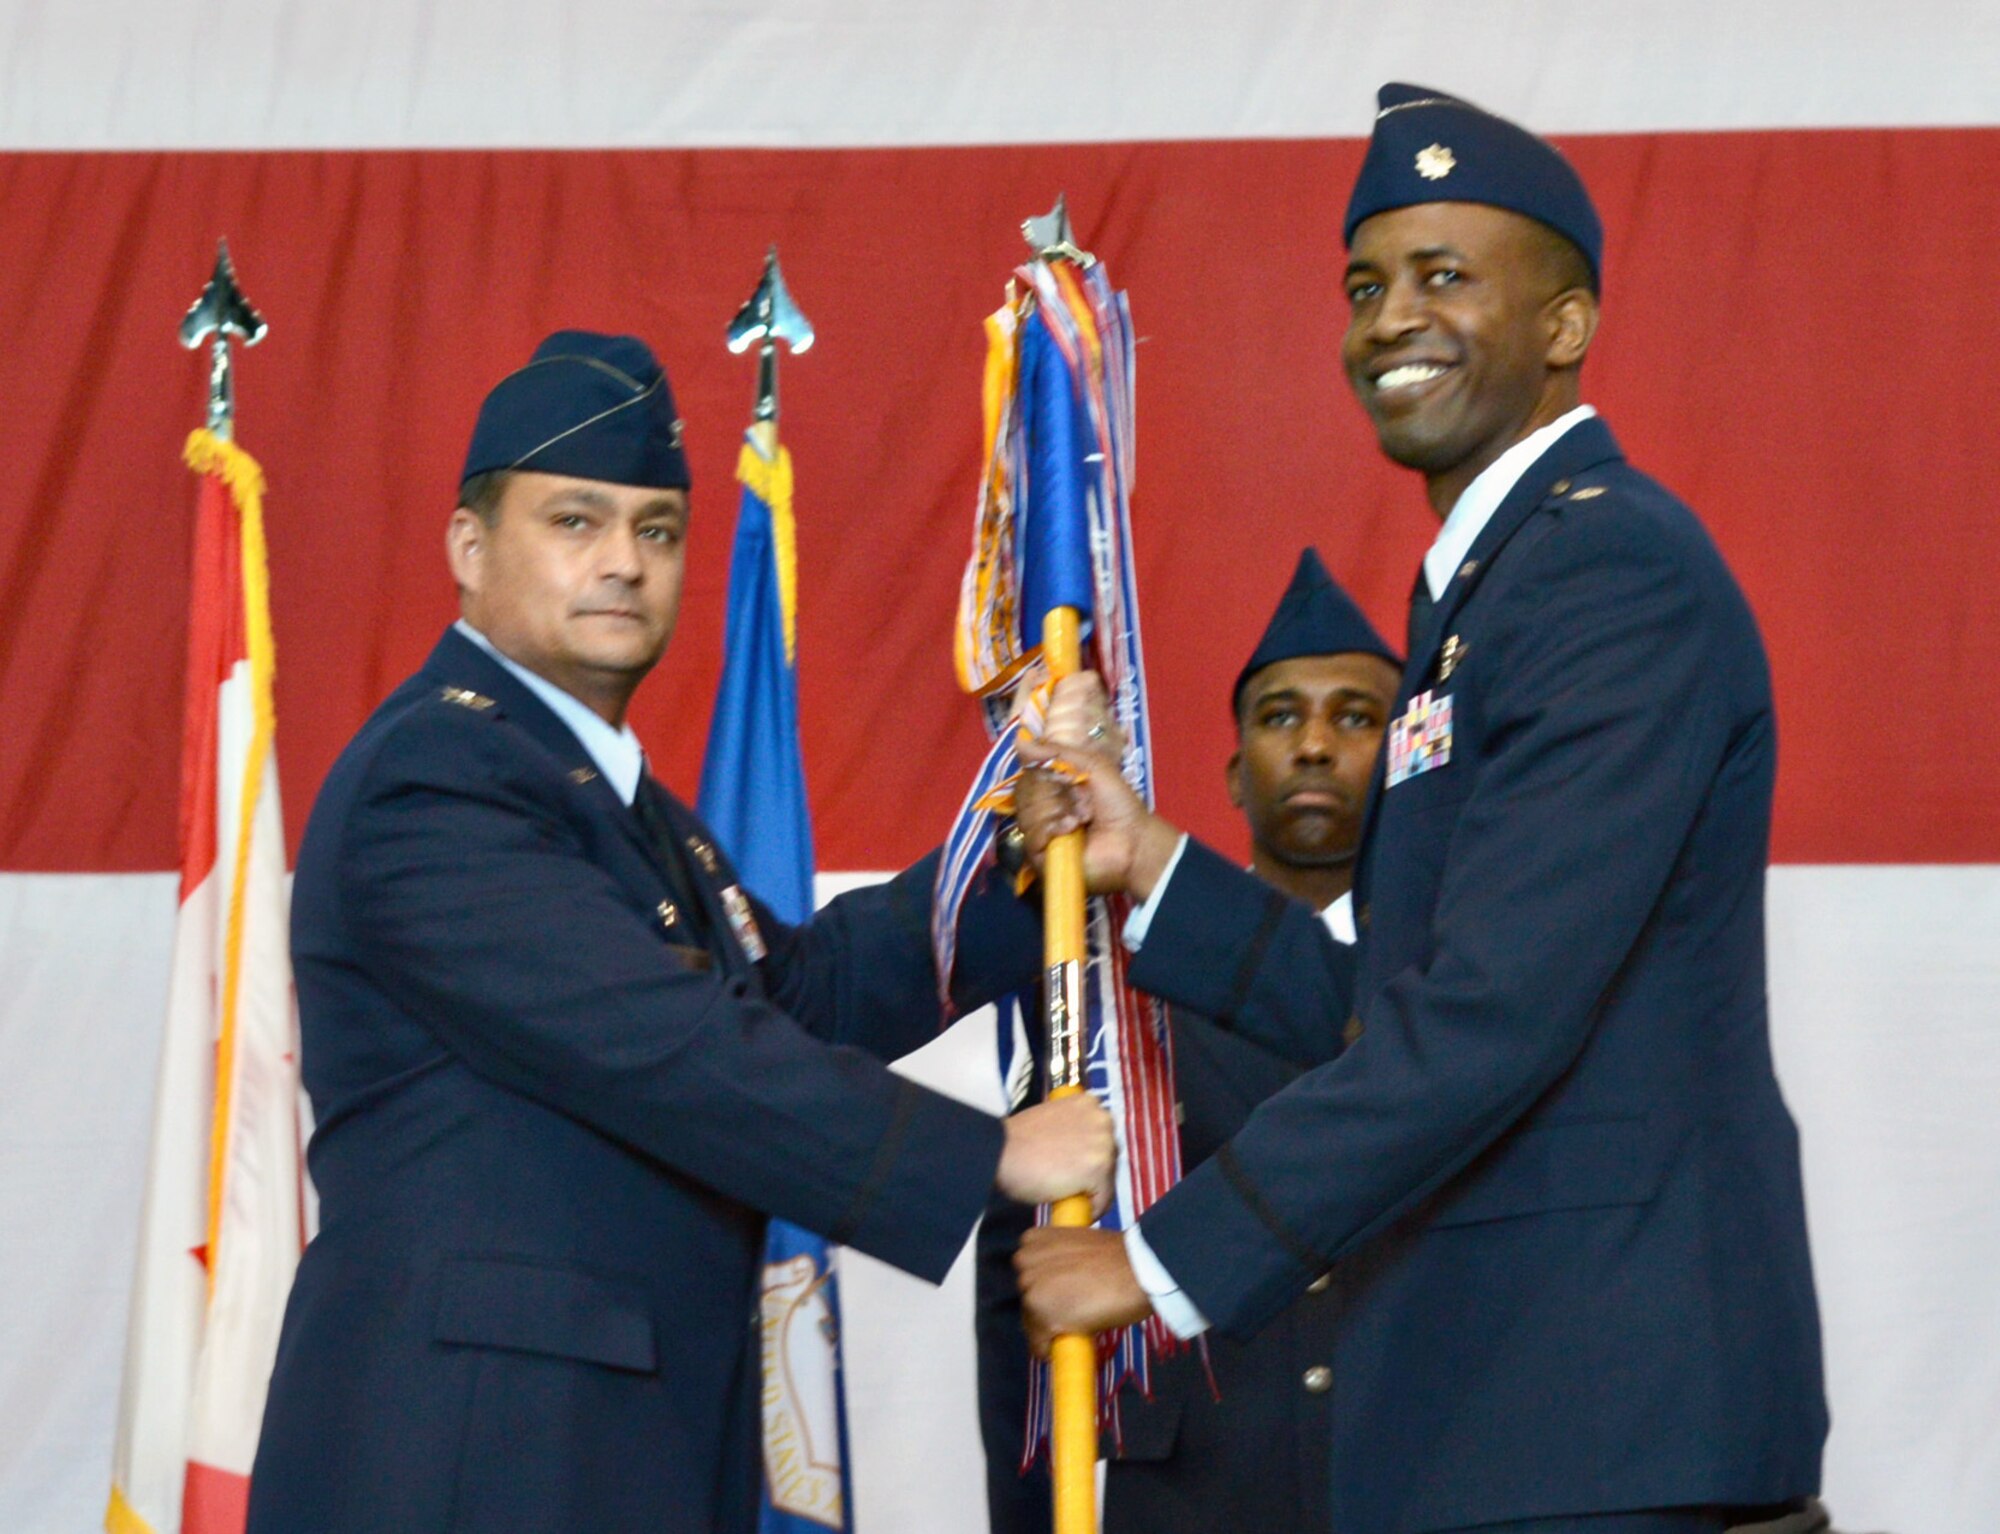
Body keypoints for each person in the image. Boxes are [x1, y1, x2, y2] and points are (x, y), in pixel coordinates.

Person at [1013, 84, 1827, 1534]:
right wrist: (1154, 866)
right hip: (1513, 1411)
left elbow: (1488, 1018)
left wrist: (1158, 1265)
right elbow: (1397, 999)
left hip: (1596, 1415)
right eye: (1366, 286)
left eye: (1445, 276)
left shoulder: (1605, 574)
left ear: (1566, 323)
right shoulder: (1490, 589)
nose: (1391, 319)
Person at [244, 331, 1115, 1534]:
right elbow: (665, 1042)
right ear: (466, 545)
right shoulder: (434, 775)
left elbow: (797, 991)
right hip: (467, 1463)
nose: (622, 563)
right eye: (575, 522)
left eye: (655, 531)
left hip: (606, 1452)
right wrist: (987, 1157)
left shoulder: (619, 803)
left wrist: (1015, 858)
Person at [977, 548, 1401, 1534]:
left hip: (1414, 1479)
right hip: (1190, 1496)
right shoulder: (1109, 992)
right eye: (1279, 716)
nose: (1310, 746)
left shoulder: (1460, 983)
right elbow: (1023, 1292)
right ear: (1232, 773)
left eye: (1354, 716)